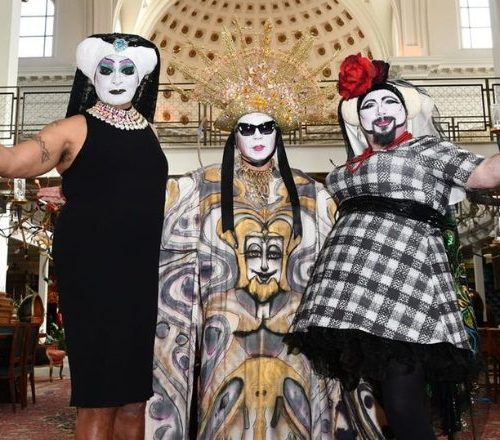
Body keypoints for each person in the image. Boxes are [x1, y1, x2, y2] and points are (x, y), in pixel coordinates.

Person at [146, 23, 387, 439]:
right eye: (247, 128)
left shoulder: (312, 194)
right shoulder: (199, 188)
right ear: (234, 135)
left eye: (266, 127)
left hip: (293, 334)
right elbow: (147, 208)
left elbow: (344, 259)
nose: (257, 136)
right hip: (226, 338)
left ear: (279, 133)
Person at [285, 53, 500, 440]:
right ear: (359, 120)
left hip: (405, 288)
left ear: (404, 114)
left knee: (403, 401)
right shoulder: (349, 167)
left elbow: (484, 174)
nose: (380, 110)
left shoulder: (426, 150)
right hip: (347, 293)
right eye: (369, 105)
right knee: (372, 402)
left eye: (389, 102)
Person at [0, 33, 168, 439]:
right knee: (100, 398)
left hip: (140, 278)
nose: (116, 77)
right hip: (95, 274)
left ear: (141, 77)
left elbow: (134, 188)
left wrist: (77, 189)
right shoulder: (73, 127)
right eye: (106, 69)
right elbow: (12, 161)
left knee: (134, 399)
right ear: (92, 76)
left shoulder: (148, 130)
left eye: (127, 69)